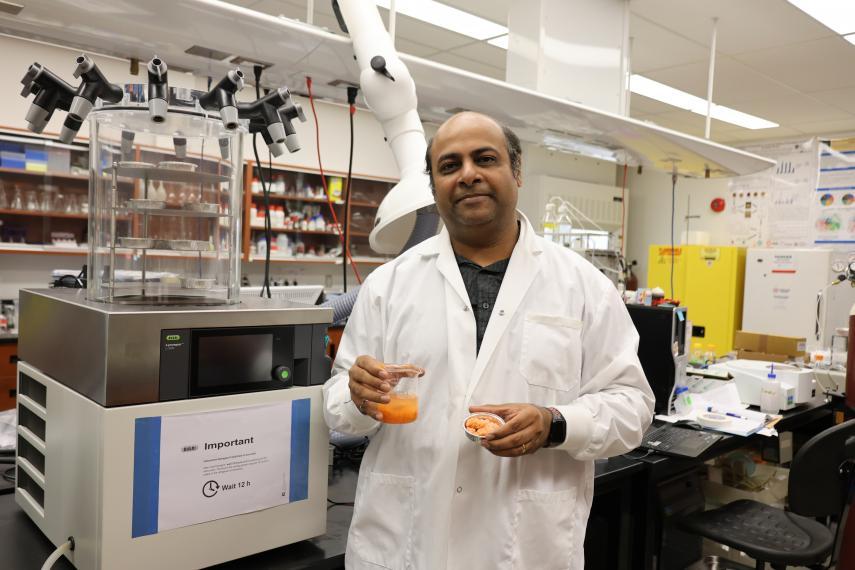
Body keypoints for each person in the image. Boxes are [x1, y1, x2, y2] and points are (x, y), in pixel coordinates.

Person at [323, 111, 654, 569]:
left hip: (523, 548)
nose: (468, 175)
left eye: (485, 158)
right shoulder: (388, 285)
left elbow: (632, 405)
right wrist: (357, 397)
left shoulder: (583, 286)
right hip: (406, 543)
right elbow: (336, 401)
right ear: (433, 184)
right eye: (449, 165)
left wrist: (556, 423)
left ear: (516, 171)